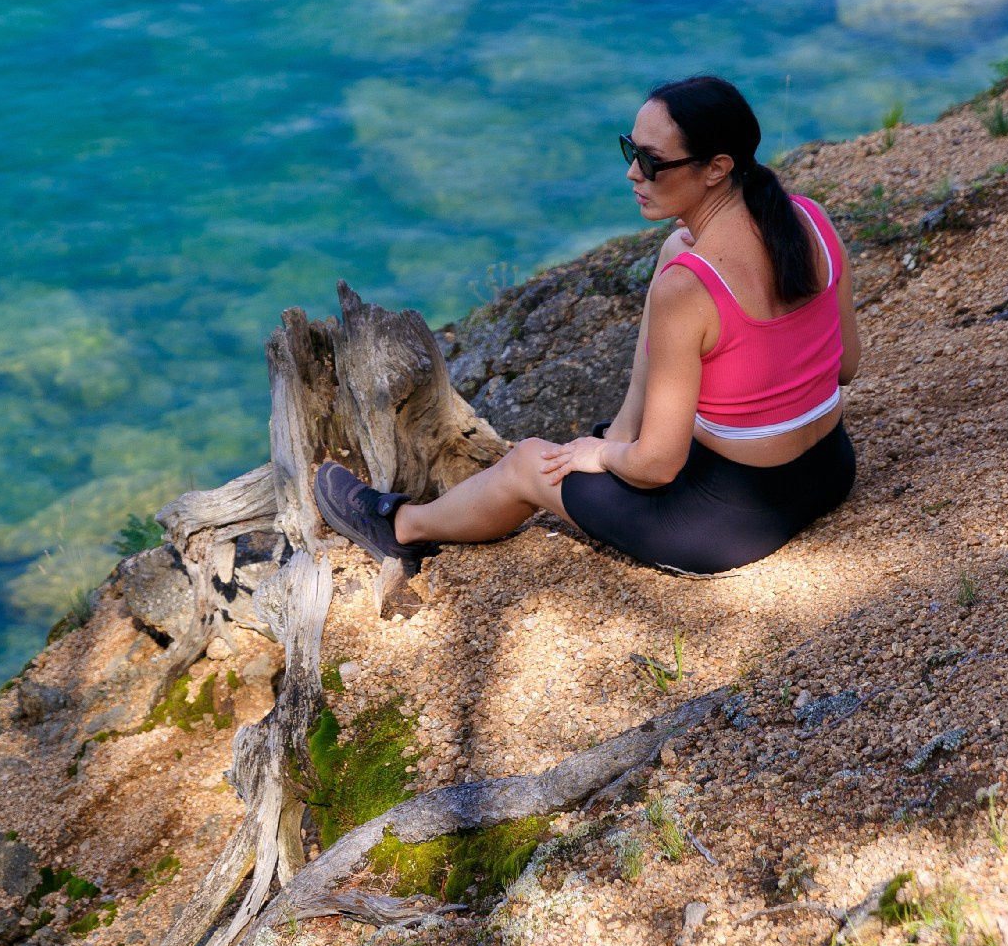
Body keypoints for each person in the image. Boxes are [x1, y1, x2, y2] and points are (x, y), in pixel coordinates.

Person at [315, 75, 860, 577]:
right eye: (630, 150)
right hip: (828, 471)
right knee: (676, 250)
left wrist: (601, 455)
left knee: (530, 462)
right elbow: (844, 368)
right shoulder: (809, 219)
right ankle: (622, 427)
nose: (632, 173)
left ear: (716, 167)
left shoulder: (689, 290)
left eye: (651, 161)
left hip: (728, 525)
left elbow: (657, 468)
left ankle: (401, 528)